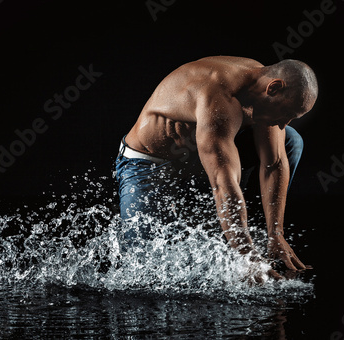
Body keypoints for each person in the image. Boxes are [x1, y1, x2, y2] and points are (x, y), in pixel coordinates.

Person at [115, 56, 318, 282]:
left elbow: (275, 164)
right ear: (274, 87)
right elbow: (223, 184)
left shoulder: (261, 91)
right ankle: (239, 240)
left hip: (196, 161)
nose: (283, 123)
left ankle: (245, 232)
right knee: (142, 270)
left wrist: (276, 234)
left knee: (290, 141)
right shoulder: (217, 96)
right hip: (148, 165)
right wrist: (246, 257)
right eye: (286, 113)